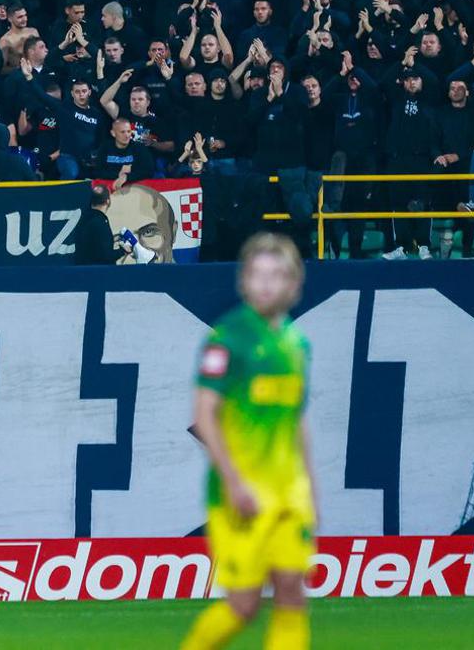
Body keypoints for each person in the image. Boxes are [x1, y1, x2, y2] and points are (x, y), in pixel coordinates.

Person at [180, 233, 314, 650]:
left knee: (292, 594)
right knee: (244, 605)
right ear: (243, 282)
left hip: (288, 491)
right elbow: (204, 416)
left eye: (277, 275)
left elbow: (295, 422)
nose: (266, 284)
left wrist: (309, 488)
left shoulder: (296, 344)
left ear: (295, 283)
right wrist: (235, 481)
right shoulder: (227, 339)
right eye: (258, 274)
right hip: (239, 493)